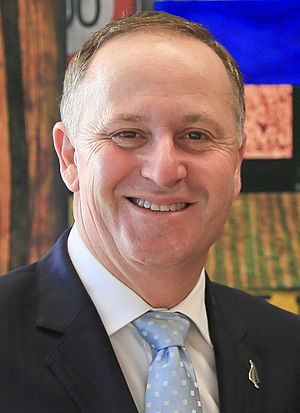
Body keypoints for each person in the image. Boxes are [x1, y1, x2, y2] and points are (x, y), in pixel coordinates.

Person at [0, 11, 299, 413]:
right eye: (128, 134)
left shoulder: (290, 351)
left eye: (196, 136)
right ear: (69, 157)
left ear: (237, 163)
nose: (163, 172)